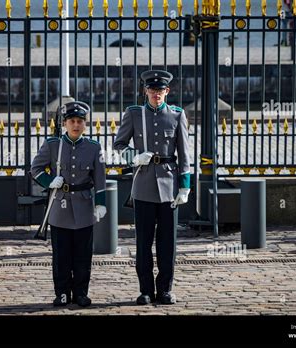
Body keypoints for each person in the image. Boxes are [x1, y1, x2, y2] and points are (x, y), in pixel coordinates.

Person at [113, 70, 191, 305]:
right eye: (152, 90)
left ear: (167, 91)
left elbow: (185, 154)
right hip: (144, 185)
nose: (156, 94)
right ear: (145, 91)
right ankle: (145, 289)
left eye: (160, 90)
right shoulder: (134, 114)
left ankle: (165, 289)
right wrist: (133, 157)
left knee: (168, 243)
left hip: (169, 186)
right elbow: (118, 144)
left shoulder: (177, 115)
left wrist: (185, 187)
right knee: (143, 242)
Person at [30, 101, 107, 307]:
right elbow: (35, 168)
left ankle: (81, 292)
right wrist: (48, 181)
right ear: (65, 123)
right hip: (60, 206)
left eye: (80, 121)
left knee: (83, 255)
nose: (76, 125)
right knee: (61, 254)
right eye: (72, 121)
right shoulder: (53, 145)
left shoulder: (93, 147)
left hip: (84, 206)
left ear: (85, 124)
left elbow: (99, 178)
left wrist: (101, 203)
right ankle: (62, 292)